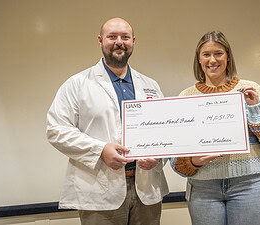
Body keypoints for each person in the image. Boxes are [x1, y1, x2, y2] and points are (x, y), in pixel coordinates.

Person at [46, 18, 169, 225]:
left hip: (147, 190)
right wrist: (100, 149)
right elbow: (56, 130)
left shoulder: (150, 86)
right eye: (112, 37)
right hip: (99, 193)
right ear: (101, 40)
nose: (119, 42)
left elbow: (166, 132)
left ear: (133, 41)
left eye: (125, 37)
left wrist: (158, 156)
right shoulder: (77, 84)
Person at [170, 31, 260, 225]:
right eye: (206, 54)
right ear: (199, 59)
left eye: (218, 53)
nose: (212, 59)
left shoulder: (251, 89)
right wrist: (193, 162)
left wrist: (255, 107)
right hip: (203, 188)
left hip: (248, 185)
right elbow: (175, 161)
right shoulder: (186, 96)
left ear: (228, 56)